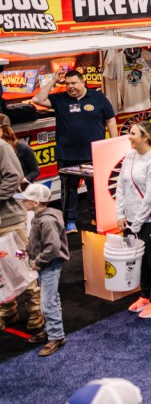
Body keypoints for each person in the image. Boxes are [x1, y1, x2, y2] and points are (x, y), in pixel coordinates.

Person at [32, 69, 116, 233]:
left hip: (94, 154)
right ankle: (70, 221)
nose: (70, 87)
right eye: (67, 84)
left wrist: (113, 143)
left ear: (83, 82)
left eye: (74, 83)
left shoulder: (98, 97)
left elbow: (110, 119)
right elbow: (37, 99)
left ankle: (97, 216)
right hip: (67, 155)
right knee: (69, 190)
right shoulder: (60, 99)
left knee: (95, 188)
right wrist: (53, 81)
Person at [115, 122, 151, 319]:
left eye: (133, 133)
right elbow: (120, 186)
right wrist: (120, 214)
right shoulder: (130, 157)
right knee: (140, 260)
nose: (129, 137)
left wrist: (137, 222)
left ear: (145, 137)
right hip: (131, 220)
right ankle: (145, 295)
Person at [16, 183, 69, 356]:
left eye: (26, 199)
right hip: (46, 264)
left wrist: (38, 262)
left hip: (49, 265)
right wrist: (27, 251)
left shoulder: (46, 221)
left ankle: (56, 336)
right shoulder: (39, 217)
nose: (23, 201)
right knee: (51, 299)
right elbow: (39, 242)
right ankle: (52, 329)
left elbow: (52, 248)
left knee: (47, 303)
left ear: (36, 203)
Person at [0, 133, 43, 335]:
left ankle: (35, 311)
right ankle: (8, 310)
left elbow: (14, 177)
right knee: (2, 269)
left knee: (23, 263)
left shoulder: (2, 147)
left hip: (10, 220)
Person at [0, 113, 39, 181]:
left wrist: (25, 179)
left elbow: (35, 171)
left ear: (4, 129)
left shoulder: (21, 147)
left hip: (19, 186)